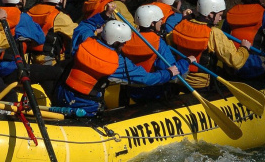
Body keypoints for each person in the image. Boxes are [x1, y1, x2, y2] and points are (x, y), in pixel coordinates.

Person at [55, 8, 185, 117]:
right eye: (123, 43)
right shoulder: (118, 62)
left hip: (62, 94)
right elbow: (146, 79)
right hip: (86, 107)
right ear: (118, 42)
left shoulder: (86, 40)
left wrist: (103, 15)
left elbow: (84, 26)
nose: (124, 45)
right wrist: (169, 72)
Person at [166, 0, 251, 90]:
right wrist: (244, 48)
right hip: (202, 85)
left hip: (180, 79)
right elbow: (236, 62)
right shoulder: (214, 33)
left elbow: (169, 41)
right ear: (210, 14)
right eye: (219, 15)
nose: (220, 19)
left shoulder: (181, 25)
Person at [121, 4, 192, 101]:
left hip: (132, 92)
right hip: (155, 91)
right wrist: (187, 61)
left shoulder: (126, 40)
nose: (162, 21)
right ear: (152, 23)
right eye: (159, 20)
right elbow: (171, 70)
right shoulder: (158, 42)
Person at [26, 0, 77, 66]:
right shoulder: (59, 17)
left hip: (29, 58)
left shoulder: (31, 11)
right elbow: (77, 33)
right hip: (48, 61)